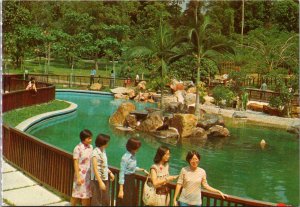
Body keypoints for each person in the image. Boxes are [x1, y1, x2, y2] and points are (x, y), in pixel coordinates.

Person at [118, 137, 147, 206]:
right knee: (126, 201)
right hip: (126, 180)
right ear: (132, 147)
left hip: (131, 179)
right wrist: (121, 190)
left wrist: (142, 170)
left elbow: (131, 168)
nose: (138, 148)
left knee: (132, 199)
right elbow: (122, 173)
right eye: (137, 146)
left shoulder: (133, 155)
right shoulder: (125, 158)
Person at [70, 129, 93, 206]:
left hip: (88, 175)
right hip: (80, 175)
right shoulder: (77, 148)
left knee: (86, 195)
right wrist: (78, 177)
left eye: (91, 138)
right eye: (89, 138)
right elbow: (76, 163)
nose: (90, 140)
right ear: (83, 138)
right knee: (76, 194)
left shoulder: (91, 147)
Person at [91, 133, 115, 206]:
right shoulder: (95, 152)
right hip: (97, 179)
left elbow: (104, 165)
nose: (108, 143)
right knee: (97, 199)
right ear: (103, 142)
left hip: (105, 177)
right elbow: (95, 169)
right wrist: (100, 182)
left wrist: (110, 172)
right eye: (107, 142)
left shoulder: (103, 151)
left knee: (106, 198)